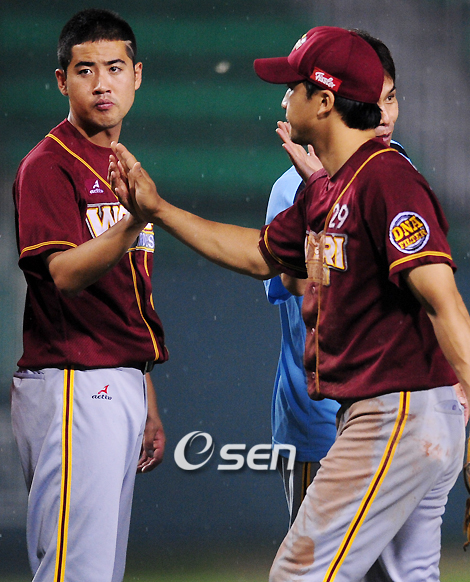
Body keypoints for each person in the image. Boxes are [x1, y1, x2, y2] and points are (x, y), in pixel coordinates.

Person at [109, 26, 470, 581]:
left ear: (324, 101)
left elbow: (445, 303)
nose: (284, 100)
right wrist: (158, 209)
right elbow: (259, 253)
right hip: (399, 412)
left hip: (396, 411)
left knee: (297, 574)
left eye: (294, 87)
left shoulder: (387, 179)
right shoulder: (329, 188)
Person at [11, 9, 168, 582]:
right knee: (75, 572)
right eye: (85, 70)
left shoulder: (117, 163)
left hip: (111, 377)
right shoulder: (48, 165)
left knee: (97, 570)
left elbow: (124, 292)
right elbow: (65, 274)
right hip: (73, 382)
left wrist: (143, 388)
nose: (103, 83)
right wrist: (135, 220)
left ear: (137, 75)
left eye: (115, 68)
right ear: (62, 81)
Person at [265, 30, 407, 528]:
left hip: (391, 411)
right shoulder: (291, 187)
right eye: (372, 99)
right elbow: (294, 280)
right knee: (315, 561)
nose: (383, 114)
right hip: (321, 417)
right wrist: (322, 195)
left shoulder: (399, 170)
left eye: (391, 98)